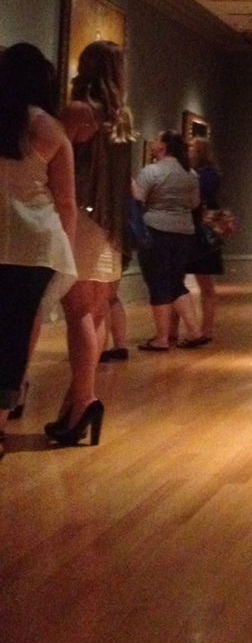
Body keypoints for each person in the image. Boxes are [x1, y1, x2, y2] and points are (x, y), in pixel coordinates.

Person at [50, 39, 136, 441]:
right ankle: (77, 403)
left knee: (79, 311)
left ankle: (82, 402)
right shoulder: (123, 118)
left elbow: (54, 161)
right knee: (97, 310)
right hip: (111, 224)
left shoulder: (78, 112)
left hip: (82, 219)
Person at [0, 44, 79, 450]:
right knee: (14, 334)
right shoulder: (48, 128)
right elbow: (65, 199)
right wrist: (67, 240)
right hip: (35, 244)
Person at [134, 130, 205, 350]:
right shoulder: (190, 174)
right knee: (176, 282)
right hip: (184, 232)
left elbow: (138, 199)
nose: (153, 142)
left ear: (164, 145)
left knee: (158, 283)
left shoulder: (151, 171)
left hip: (156, 229)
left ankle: (161, 338)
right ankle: (195, 332)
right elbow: (194, 203)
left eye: (157, 139)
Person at [187, 137, 223, 338]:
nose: (189, 149)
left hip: (203, 230)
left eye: (193, 146)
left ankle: (206, 329)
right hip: (193, 228)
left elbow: (200, 197)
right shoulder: (198, 173)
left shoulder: (209, 174)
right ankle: (177, 330)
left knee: (205, 282)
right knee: (179, 280)